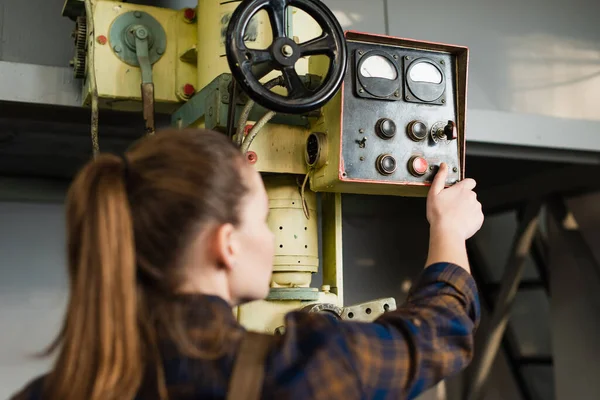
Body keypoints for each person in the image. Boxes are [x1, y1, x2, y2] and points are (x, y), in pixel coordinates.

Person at [10, 128, 483, 400]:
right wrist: (448, 230)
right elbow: (440, 333)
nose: (273, 238)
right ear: (228, 245)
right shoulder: (302, 369)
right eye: (262, 218)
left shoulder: (47, 393)